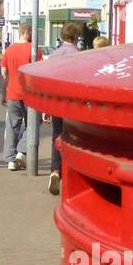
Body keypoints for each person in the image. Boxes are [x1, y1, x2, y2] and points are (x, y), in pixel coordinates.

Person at [47, 22, 83, 194]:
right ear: (76, 37)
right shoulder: (78, 55)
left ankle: (55, 170)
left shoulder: (54, 54)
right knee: (72, 138)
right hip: (72, 104)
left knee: (57, 134)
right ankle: (69, 174)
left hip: (55, 102)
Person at [0, 18, 36, 171]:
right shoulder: (34, 50)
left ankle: (10, 160)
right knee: (34, 124)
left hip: (12, 93)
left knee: (12, 126)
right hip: (29, 95)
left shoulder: (9, 50)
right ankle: (21, 151)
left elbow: (4, 74)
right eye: (32, 33)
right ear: (27, 33)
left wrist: (4, 94)